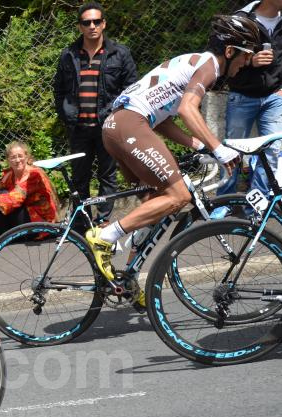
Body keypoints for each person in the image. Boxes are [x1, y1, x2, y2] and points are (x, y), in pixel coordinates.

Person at [90, 15, 261, 309]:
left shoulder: (193, 62)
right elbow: (186, 109)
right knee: (179, 195)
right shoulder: (210, 66)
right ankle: (106, 236)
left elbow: (163, 121)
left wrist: (197, 145)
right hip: (128, 125)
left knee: (158, 201)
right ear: (230, 51)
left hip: (120, 126)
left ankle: (127, 278)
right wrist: (218, 148)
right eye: (245, 55)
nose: (246, 63)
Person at [53, 2, 137, 231]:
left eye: (96, 21)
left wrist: (116, 116)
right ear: (80, 26)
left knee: (107, 175)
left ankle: (104, 221)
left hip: (107, 126)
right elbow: (59, 89)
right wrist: (66, 114)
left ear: (104, 24)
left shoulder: (119, 53)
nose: (92, 26)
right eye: (86, 22)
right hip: (78, 127)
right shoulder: (69, 55)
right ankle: (82, 222)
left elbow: (131, 88)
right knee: (79, 177)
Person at [219, 0, 282, 198]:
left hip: (275, 96)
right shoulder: (241, 20)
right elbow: (223, 57)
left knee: (272, 152)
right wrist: (250, 61)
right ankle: (224, 201)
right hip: (242, 95)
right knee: (232, 151)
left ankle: (258, 204)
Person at [0, 142, 59, 252]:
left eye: (20, 156)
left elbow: (14, 199)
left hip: (40, 223)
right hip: (24, 217)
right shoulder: (10, 174)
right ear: (8, 160)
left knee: (3, 199)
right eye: (13, 157)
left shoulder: (34, 174)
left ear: (26, 157)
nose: (17, 160)